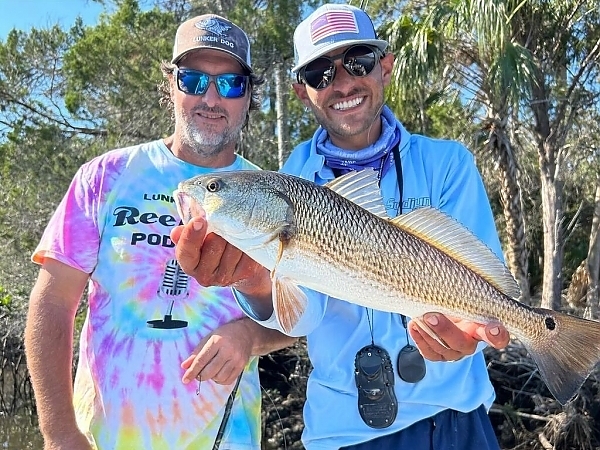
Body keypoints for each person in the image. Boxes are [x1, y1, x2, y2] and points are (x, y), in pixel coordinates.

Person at [172, 4, 512, 450]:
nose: (343, 82)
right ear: (301, 91)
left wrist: (480, 332)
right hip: (342, 432)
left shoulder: (448, 163)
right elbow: (301, 315)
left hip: (454, 417)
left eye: (359, 61)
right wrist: (256, 280)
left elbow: (485, 288)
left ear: (385, 66)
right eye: (319, 73)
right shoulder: (293, 176)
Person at [25, 13, 296, 450]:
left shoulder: (276, 195)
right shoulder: (106, 175)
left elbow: (306, 315)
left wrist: (249, 336)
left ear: (248, 96)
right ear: (170, 85)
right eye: (193, 80)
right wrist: (59, 435)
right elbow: (53, 302)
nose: (211, 97)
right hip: (101, 438)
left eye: (229, 84)